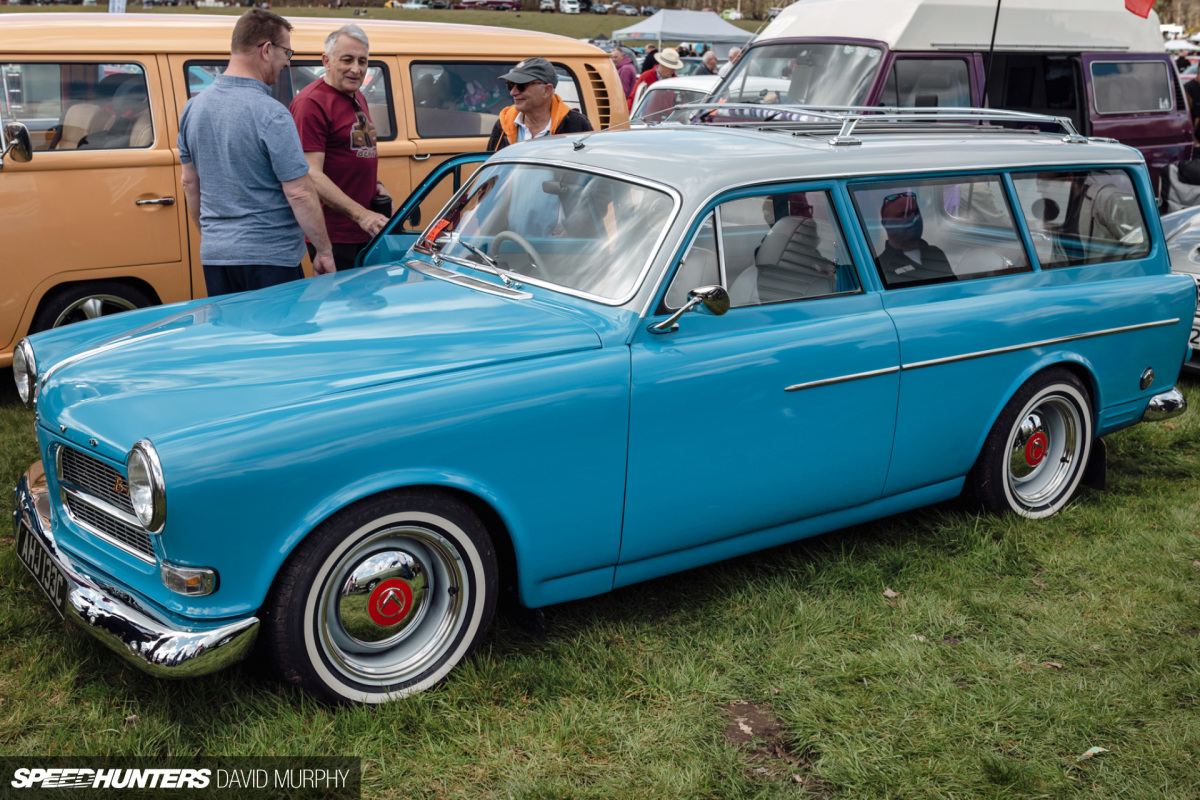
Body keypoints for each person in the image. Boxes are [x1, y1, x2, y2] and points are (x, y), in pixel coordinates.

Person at [179, 9, 334, 296]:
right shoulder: (272, 113)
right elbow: (299, 193)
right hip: (270, 257)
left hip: (216, 256)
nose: (287, 62)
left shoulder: (192, 108)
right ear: (266, 50)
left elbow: (189, 183)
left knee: (231, 326)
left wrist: (216, 238)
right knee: (277, 327)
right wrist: (323, 250)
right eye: (286, 53)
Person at [290, 24, 390, 273]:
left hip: (363, 231)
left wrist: (375, 183)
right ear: (326, 61)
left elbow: (352, 151)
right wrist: (361, 215)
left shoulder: (357, 95)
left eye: (362, 61)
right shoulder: (311, 103)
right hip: (334, 235)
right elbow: (310, 174)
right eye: (347, 60)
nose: (356, 69)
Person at [485, 57, 593, 151]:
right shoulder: (503, 124)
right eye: (510, 85)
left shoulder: (576, 125)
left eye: (521, 86)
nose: (513, 92)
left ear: (547, 90)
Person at [876, 190, 951, 282]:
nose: (913, 218)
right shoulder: (880, 267)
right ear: (886, 224)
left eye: (916, 212)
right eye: (903, 214)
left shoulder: (936, 253)